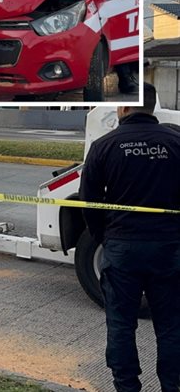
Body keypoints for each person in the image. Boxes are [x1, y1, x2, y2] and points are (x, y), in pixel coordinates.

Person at [78, 82, 180, 392]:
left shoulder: (105, 146)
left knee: (121, 325)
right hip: (169, 249)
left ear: (124, 109)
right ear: (152, 108)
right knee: (171, 327)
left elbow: (89, 202)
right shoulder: (176, 142)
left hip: (122, 249)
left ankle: (126, 387)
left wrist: (105, 237)